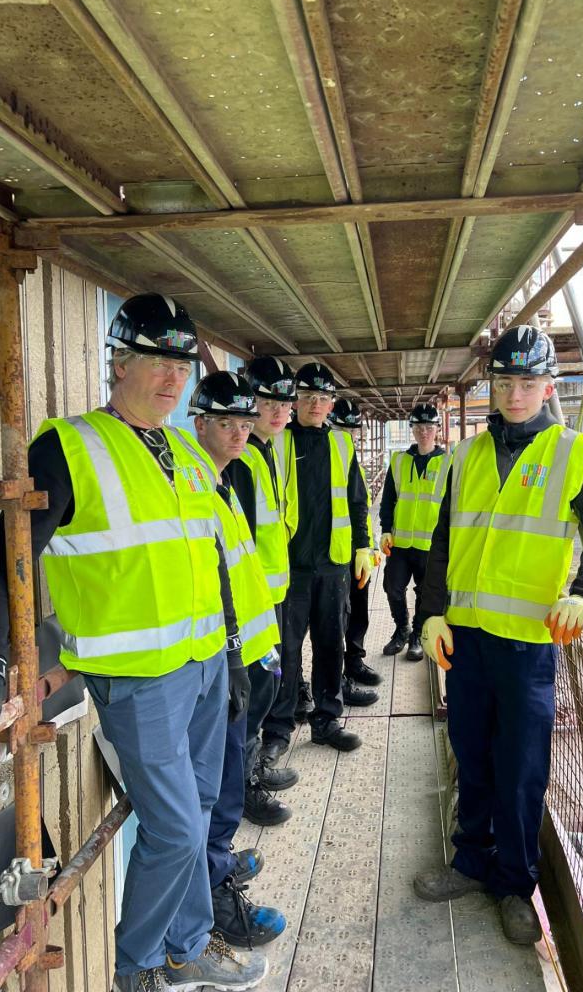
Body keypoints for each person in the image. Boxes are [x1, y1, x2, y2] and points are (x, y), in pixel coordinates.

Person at [0, 293, 267, 992]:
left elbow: (213, 560)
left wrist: (234, 660)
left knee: (197, 815)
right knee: (173, 830)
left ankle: (186, 946)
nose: (171, 379)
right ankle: (137, 968)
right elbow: (1, 562)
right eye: (153, 361)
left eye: (179, 364)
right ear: (119, 362)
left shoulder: (186, 453)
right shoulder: (71, 447)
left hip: (202, 669)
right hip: (137, 682)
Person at [413, 326, 583, 946]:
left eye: (527, 383)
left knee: (523, 767)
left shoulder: (570, 452)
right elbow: (445, 540)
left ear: (547, 388)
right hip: (470, 637)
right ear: (492, 386)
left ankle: (514, 884)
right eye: (505, 382)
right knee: (471, 752)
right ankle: (471, 863)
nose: (515, 393)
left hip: (530, 644)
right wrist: (432, 611)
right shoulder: (467, 455)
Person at [189, 371, 287, 952]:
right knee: (217, 791)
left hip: (244, 655)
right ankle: (219, 902)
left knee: (226, 781)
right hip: (216, 665)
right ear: (199, 423)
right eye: (226, 423)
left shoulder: (226, 481)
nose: (238, 434)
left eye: (244, 425)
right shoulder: (196, 485)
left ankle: (219, 866)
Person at [261, 362, 371, 754]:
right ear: (295, 401)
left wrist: (364, 546)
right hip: (289, 567)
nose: (315, 405)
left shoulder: (342, 444)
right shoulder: (276, 441)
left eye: (323, 398)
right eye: (307, 397)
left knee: (330, 645)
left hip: (333, 564)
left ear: (331, 404)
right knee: (286, 652)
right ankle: (277, 730)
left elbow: (357, 502)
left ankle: (327, 720)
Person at [229, 355, 299, 827]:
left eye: (284, 402)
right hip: (247, 607)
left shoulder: (266, 451)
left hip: (270, 598)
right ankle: (243, 788)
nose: (278, 411)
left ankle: (252, 769)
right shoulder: (241, 457)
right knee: (249, 698)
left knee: (267, 685)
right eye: (268, 400)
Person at [379, 403, 451, 660]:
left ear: (437, 430)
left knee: (426, 592)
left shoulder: (448, 463)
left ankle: (417, 636)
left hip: (431, 545)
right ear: (412, 429)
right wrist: (385, 530)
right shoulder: (399, 461)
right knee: (392, 587)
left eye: (429, 427)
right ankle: (402, 629)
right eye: (419, 427)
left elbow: (453, 506)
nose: (424, 432)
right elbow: (388, 499)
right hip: (400, 542)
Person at [328, 398, 381, 704]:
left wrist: (369, 546)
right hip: (334, 555)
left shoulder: (352, 461)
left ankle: (355, 662)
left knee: (359, 612)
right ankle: (337, 680)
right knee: (336, 620)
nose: (347, 433)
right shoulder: (324, 460)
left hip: (358, 552)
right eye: (340, 427)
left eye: (352, 429)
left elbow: (360, 509)